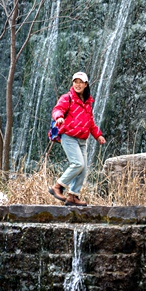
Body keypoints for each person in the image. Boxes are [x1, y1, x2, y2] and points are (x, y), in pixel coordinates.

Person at [48, 71, 106, 206]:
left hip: (82, 140)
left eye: (81, 82)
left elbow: (90, 122)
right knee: (77, 164)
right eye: (75, 82)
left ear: (86, 84)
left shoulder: (88, 103)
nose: (78, 85)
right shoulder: (67, 98)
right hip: (68, 136)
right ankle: (58, 187)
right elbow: (57, 109)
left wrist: (98, 135)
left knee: (83, 168)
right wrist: (59, 117)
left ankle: (73, 196)